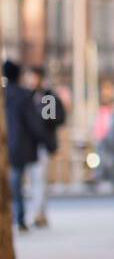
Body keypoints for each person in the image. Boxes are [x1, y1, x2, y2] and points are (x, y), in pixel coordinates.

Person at [3, 59, 46, 232]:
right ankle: (20, 217)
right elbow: (34, 123)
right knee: (20, 181)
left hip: (17, 146)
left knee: (20, 181)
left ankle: (25, 216)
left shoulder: (44, 95)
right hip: (22, 146)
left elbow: (49, 118)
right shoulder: (24, 95)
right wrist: (48, 141)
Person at [23, 65, 65, 228]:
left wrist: (46, 119)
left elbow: (55, 119)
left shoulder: (49, 97)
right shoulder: (26, 96)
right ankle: (36, 212)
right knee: (31, 181)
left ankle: (39, 213)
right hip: (28, 144)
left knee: (40, 179)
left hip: (42, 145)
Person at [93, 82, 114, 193]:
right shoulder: (100, 113)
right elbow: (97, 128)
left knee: (113, 163)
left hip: (112, 143)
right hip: (102, 141)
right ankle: (99, 181)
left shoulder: (113, 114)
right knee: (101, 162)